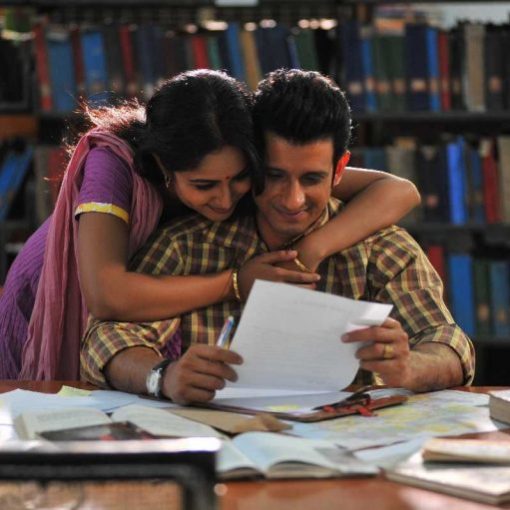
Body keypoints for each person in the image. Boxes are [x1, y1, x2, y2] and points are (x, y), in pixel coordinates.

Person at [81, 69, 474, 403]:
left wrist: (411, 367)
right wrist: (163, 376)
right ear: (251, 162)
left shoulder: (382, 247)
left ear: (340, 171)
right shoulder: (188, 242)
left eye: (313, 179)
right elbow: (104, 336)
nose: (293, 200)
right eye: (275, 176)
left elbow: (450, 344)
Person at [0, 69, 419, 381]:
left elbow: (398, 190)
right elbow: (107, 295)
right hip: (47, 300)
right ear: (165, 167)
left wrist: (310, 251)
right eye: (203, 186)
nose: (224, 200)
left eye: (241, 178)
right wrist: (237, 282)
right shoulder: (112, 166)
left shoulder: (275, 172)